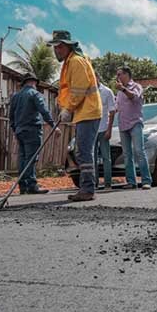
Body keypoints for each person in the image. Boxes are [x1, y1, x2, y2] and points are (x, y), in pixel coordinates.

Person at [47, 30, 102, 202]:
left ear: (66, 46)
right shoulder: (70, 62)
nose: (56, 51)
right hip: (83, 112)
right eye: (55, 48)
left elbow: (79, 89)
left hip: (88, 111)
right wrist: (65, 107)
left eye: (58, 47)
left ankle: (87, 189)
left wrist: (68, 109)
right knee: (82, 152)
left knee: (84, 152)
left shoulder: (76, 62)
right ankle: (87, 188)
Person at [8, 72, 56, 195]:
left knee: (23, 157)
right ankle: (32, 185)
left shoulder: (16, 96)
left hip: (20, 130)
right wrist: (53, 125)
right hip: (32, 129)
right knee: (31, 158)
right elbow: (43, 110)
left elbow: (11, 116)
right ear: (34, 82)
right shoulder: (35, 94)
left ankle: (23, 185)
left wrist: (15, 128)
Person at [115, 65, 152, 190]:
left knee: (139, 151)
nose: (117, 77)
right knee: (127, 154)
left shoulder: (136, 86)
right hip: (122, 125)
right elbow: (116, 107)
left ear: (126, 74)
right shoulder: (119, 91)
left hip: (135, 123)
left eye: (119, 74)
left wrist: (124, 89)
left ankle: (146, 180)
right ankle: (131, 182)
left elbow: (134, 97)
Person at [95, 80, 116, 190]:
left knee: (106, 157)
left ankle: (108, 183)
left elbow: (112, 112)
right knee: (92, 157)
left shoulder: (107, 92)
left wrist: (109, 129)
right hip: (92, 130)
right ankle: (94, 183)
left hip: (103, 128)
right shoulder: (88, 91)